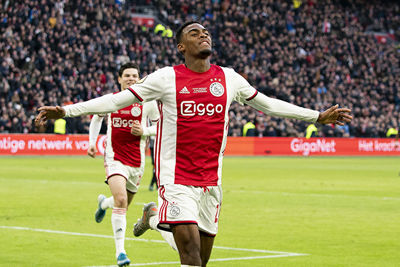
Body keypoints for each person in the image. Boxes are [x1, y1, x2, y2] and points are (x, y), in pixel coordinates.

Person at [35, 21, 353, 267]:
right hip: (176, 181)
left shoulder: (228, 78)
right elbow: (114, 100)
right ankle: (158, 215)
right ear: (181, 46)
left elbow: (268, 104)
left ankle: (153, 218)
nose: (203, 35)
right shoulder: (165, 78)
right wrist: (66, 110)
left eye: (205, 32)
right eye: (194, 32)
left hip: (210, 184)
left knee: (200, 260)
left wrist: (317, 116)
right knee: (189, 256)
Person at [85, 62, 170, 267]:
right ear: (119, 79)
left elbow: (161, 126)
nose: (131, 78)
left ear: (140, 79)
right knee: (121, 199)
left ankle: (104, 203)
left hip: (137, 163)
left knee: (121, 203)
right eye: (127, 75)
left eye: (135, 76)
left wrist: (145, 131)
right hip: (114, 158)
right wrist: (91, 143)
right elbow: (97, 118)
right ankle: (120, 253)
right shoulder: (112, 100)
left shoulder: (147, 102)